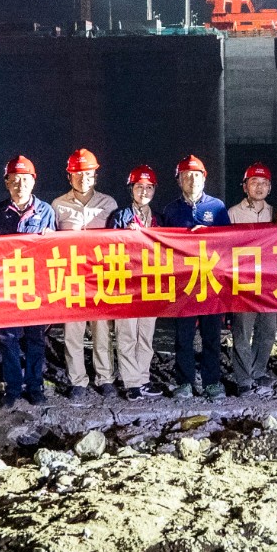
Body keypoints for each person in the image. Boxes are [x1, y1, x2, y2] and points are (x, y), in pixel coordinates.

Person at [0, 156, 58, 407]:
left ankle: (35, 386)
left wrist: (52, 237)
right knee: (8, 339)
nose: (20, 185)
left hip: (36, 286)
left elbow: (56, 251)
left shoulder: (46, 211)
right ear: (6, 183)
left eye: (25, 180)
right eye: (14, 180)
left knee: (36, 338)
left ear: (33, 181)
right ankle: (13, 387)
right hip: (7, 286)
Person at [161, 155, 231, 400]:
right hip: (184, 284)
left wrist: (208, 234)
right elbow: (161, 245)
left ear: (204, 178)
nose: (192, 180)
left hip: (211, 282)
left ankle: (212, 382)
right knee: (184, 336)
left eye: (197, 175)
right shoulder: (171, 210)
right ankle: (185, 382)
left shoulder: (217, 207)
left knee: (212, 335)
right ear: (179, 180)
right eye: (187, 176)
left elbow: (230, 242)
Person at [52, 149, 119, 400]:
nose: (83, 178)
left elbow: (118, 239)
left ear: (95, 176)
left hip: (99, 277)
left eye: (88, 174)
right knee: (73, 333)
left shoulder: (108, 204)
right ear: (69, 176)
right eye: (78, 174)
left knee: (102, 332)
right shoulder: (58, 205)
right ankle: (77, 380)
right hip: (71, 278)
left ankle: (105, 378)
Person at [109, 165, 163, 399]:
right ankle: (131, 381)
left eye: (149, 187)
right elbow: (108, 249)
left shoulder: (159, 219)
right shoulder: (119, 217)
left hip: (150, 285)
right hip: (127, 284)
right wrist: (125, 236)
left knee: (146, 334)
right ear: (131, 189)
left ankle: (143, 378)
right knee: (127, 333)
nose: (144, 191)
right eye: (139, 187)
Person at [228, 163, 277, 396]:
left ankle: (259, 370)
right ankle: (243, 378)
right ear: (245, 186)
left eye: (264, 183)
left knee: (268, 329)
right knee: (242, 331)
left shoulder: (275, 213)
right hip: (242, 281)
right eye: (254, 182)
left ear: (270, 187)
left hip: (268, 281)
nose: (259, 187)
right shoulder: (233, 213)